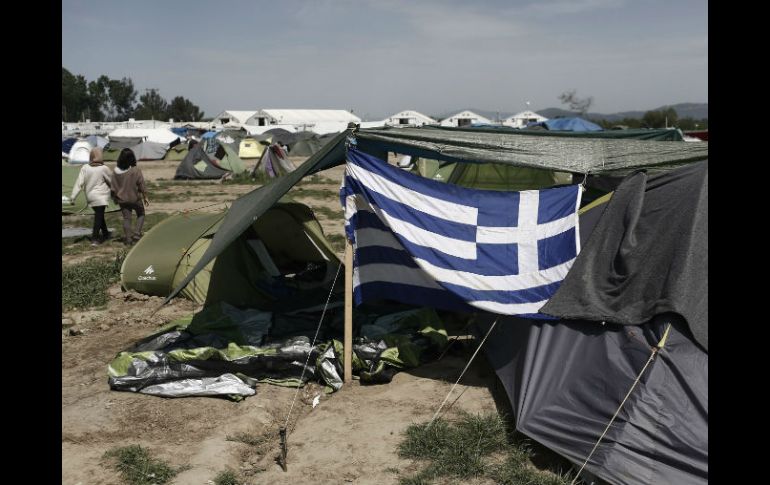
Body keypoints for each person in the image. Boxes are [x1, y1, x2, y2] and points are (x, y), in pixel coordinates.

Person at [70, 146, 113, 246]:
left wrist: (73, 197)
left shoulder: (85, 167)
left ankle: (106, 234)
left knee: (99, 215)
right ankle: (94, 239)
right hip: (101, 197)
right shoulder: (104, 168)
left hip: (90, 197)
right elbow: (112, 182)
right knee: (98, 217)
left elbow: (79, 183)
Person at [112, 148, 149, 245]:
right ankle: (137, 234)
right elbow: (141, 185)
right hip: (135, 199)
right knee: (141, 214)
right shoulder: (136, 170)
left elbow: (113, 188)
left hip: (122, 200)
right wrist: (145, 196)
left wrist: (114, 198)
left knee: (127, 218)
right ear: (132, 158)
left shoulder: (115, 171)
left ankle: (128, 239)